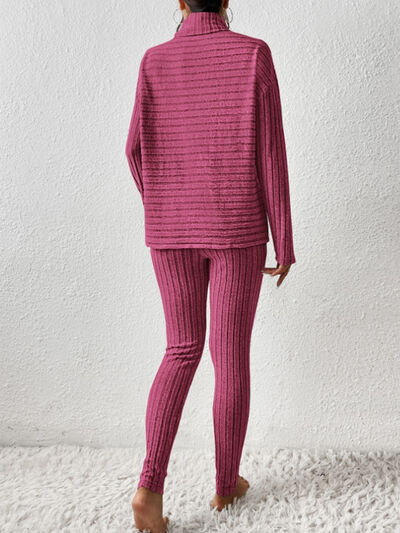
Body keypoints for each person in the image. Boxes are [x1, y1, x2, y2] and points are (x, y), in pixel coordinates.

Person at [125, 0, 296, 531]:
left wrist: (166, 206)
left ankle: (149, 488)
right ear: (226, 0)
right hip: (235, 228)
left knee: (180, 349)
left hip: (170, 233)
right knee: (230, 358)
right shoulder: (253, 55)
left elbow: (133, 151)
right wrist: (284, 240)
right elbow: (271, 153)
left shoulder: (153, 61)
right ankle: (225, 485)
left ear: (180, 2)